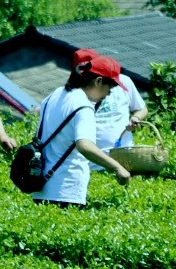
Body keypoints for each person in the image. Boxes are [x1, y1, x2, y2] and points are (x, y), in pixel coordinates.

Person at [30, 54, 132, 207]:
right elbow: (85, 146)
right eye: (109, 88)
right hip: (66, 189)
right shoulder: (83, 106)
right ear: (98, 81)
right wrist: (117, 167)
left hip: (40, 183)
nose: (108, 94)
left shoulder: (55, 94)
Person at [72, 46, 149, 149]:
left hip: (123, 152)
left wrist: (135, 118)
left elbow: (142, 109)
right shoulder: (74, 94)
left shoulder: (123, 82)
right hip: (92, 156)